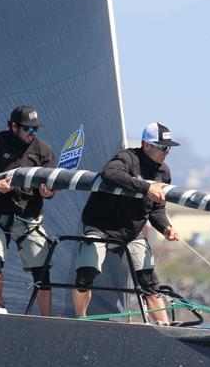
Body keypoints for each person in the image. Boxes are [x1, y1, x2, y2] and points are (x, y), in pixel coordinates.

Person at [72, 122, 181, 325]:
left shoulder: (163, 173)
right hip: (100, 226)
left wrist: (166, 228)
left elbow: (156, 210)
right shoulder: (127, 157)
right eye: (163, 147)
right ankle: (81, 321)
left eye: (169, 148)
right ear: (147, 145)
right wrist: (147, 187)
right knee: (86, 274)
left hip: (131, 232)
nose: (167, 152)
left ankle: (167, 329)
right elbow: (111, 174)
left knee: (149, 282)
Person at [0, 105, 57, 315]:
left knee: (42, 272)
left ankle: (47, 321)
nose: (32, 134)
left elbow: (52, 183)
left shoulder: (44, 151)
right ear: (14, 126)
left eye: (35, 129)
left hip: (29, 219)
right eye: (28, 129)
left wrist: (48, 193)